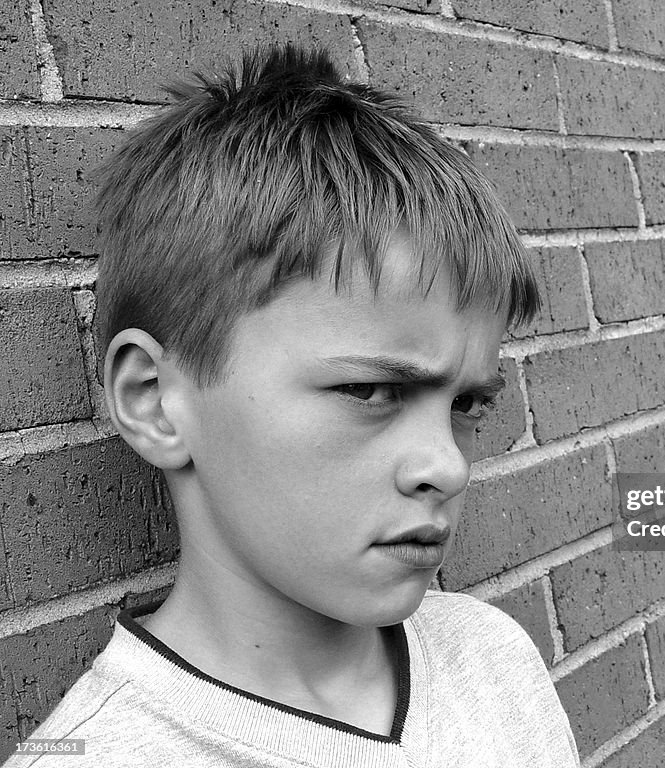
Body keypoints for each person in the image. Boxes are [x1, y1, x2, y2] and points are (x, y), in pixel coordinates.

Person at [4, 44, 579, 767]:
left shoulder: (493, 657)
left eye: (467, 405)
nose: (447, 465)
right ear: (154, 402)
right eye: (369, 391)